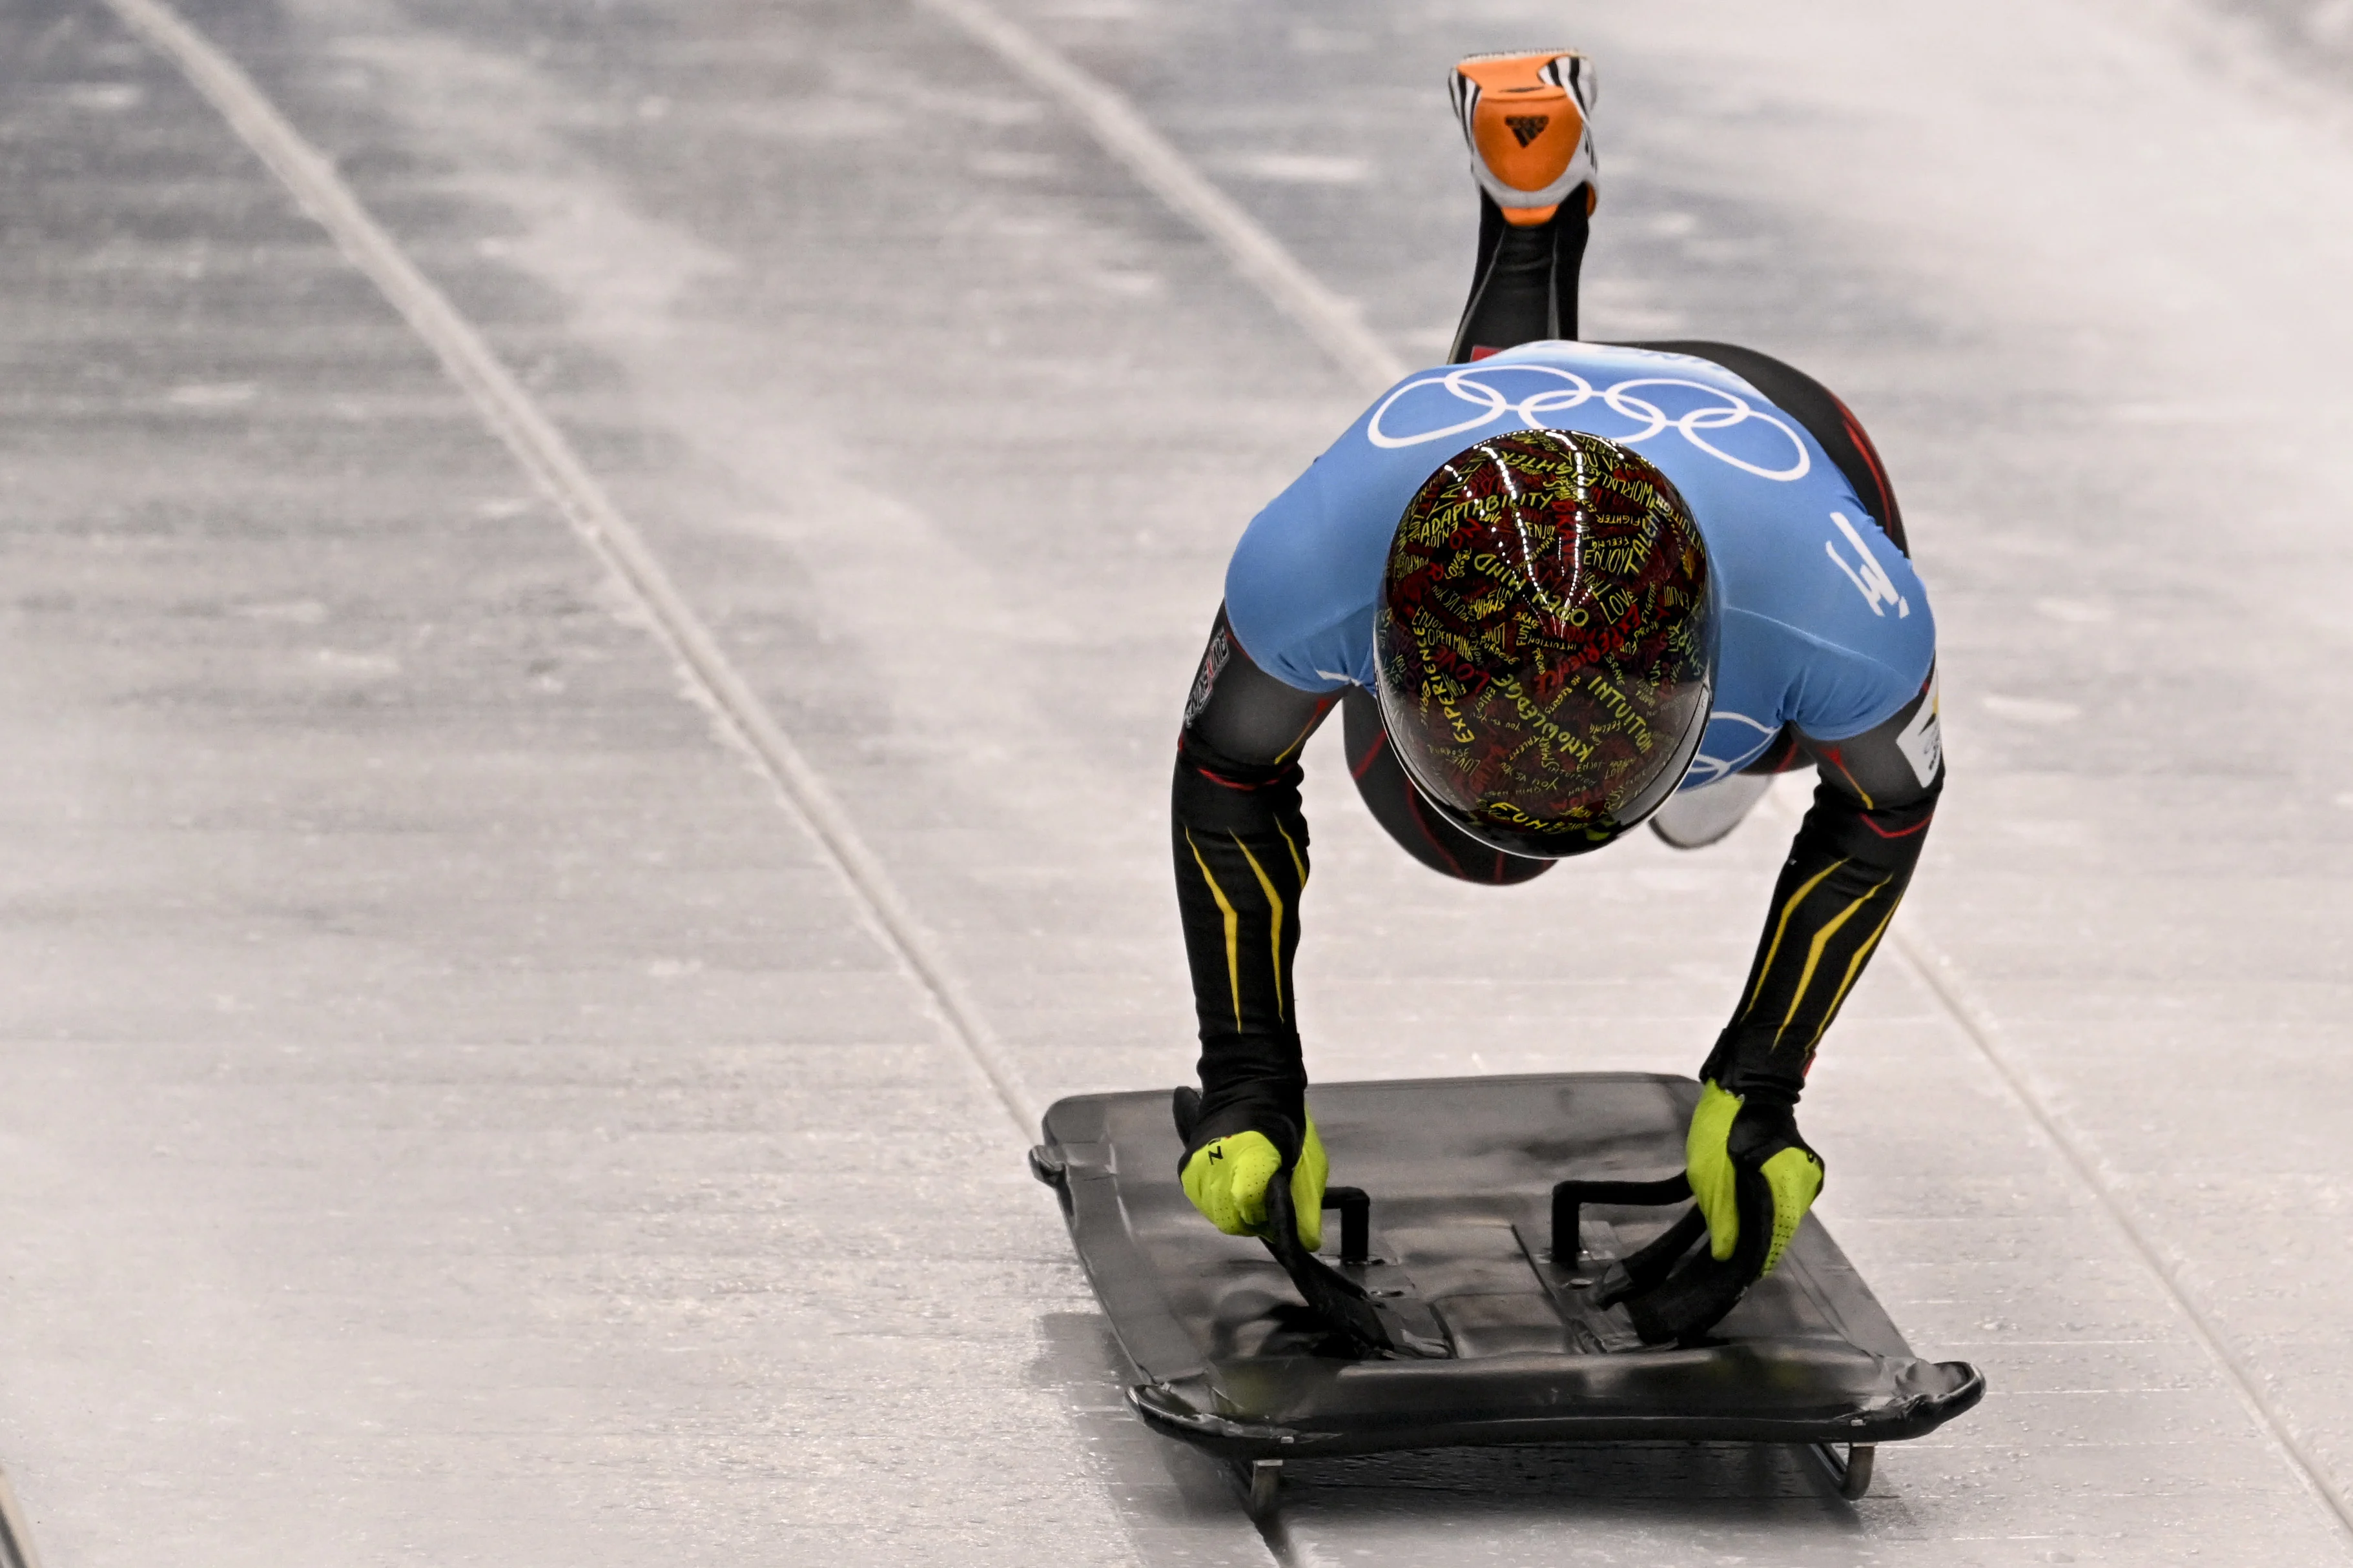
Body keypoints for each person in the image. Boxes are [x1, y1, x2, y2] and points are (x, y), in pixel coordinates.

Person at [1170, 49, 1942, 1294]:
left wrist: (1760, 1078)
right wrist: (1248, 1074)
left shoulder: (1846, 619)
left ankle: (1530, 234)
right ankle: (1530, 226)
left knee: (1499, 832)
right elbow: (1224, 767)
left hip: (1804, 467)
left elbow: (1888, 802)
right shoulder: (1314, 554)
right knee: (1483, 841)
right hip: (1625, 453)